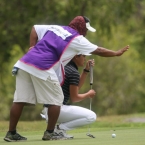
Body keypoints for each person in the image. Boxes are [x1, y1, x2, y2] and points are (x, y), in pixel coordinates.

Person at [4, 15, 129, 142]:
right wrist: (116, 53)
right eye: (86, 30)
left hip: (24, 63)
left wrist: (32, 46)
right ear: (81, 28)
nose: (85, 33)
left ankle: (11, 133)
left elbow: (34, 29)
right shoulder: (77, 38)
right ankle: (50, 133)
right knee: (57, 99)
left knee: (20, 100)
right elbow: (99, 50)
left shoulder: (55, 28)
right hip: (43, 66)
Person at [41, 55, 96, 139]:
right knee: (91, 116)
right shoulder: (73, 72)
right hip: (56, 111)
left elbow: (76, 88)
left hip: (48, 110)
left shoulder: (64, 67)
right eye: (83, 56)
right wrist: (88, 94)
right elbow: (75, 98)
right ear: (75, 57)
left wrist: (85, 70)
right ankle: (59, 129)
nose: (85, 59)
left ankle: (57, 129)